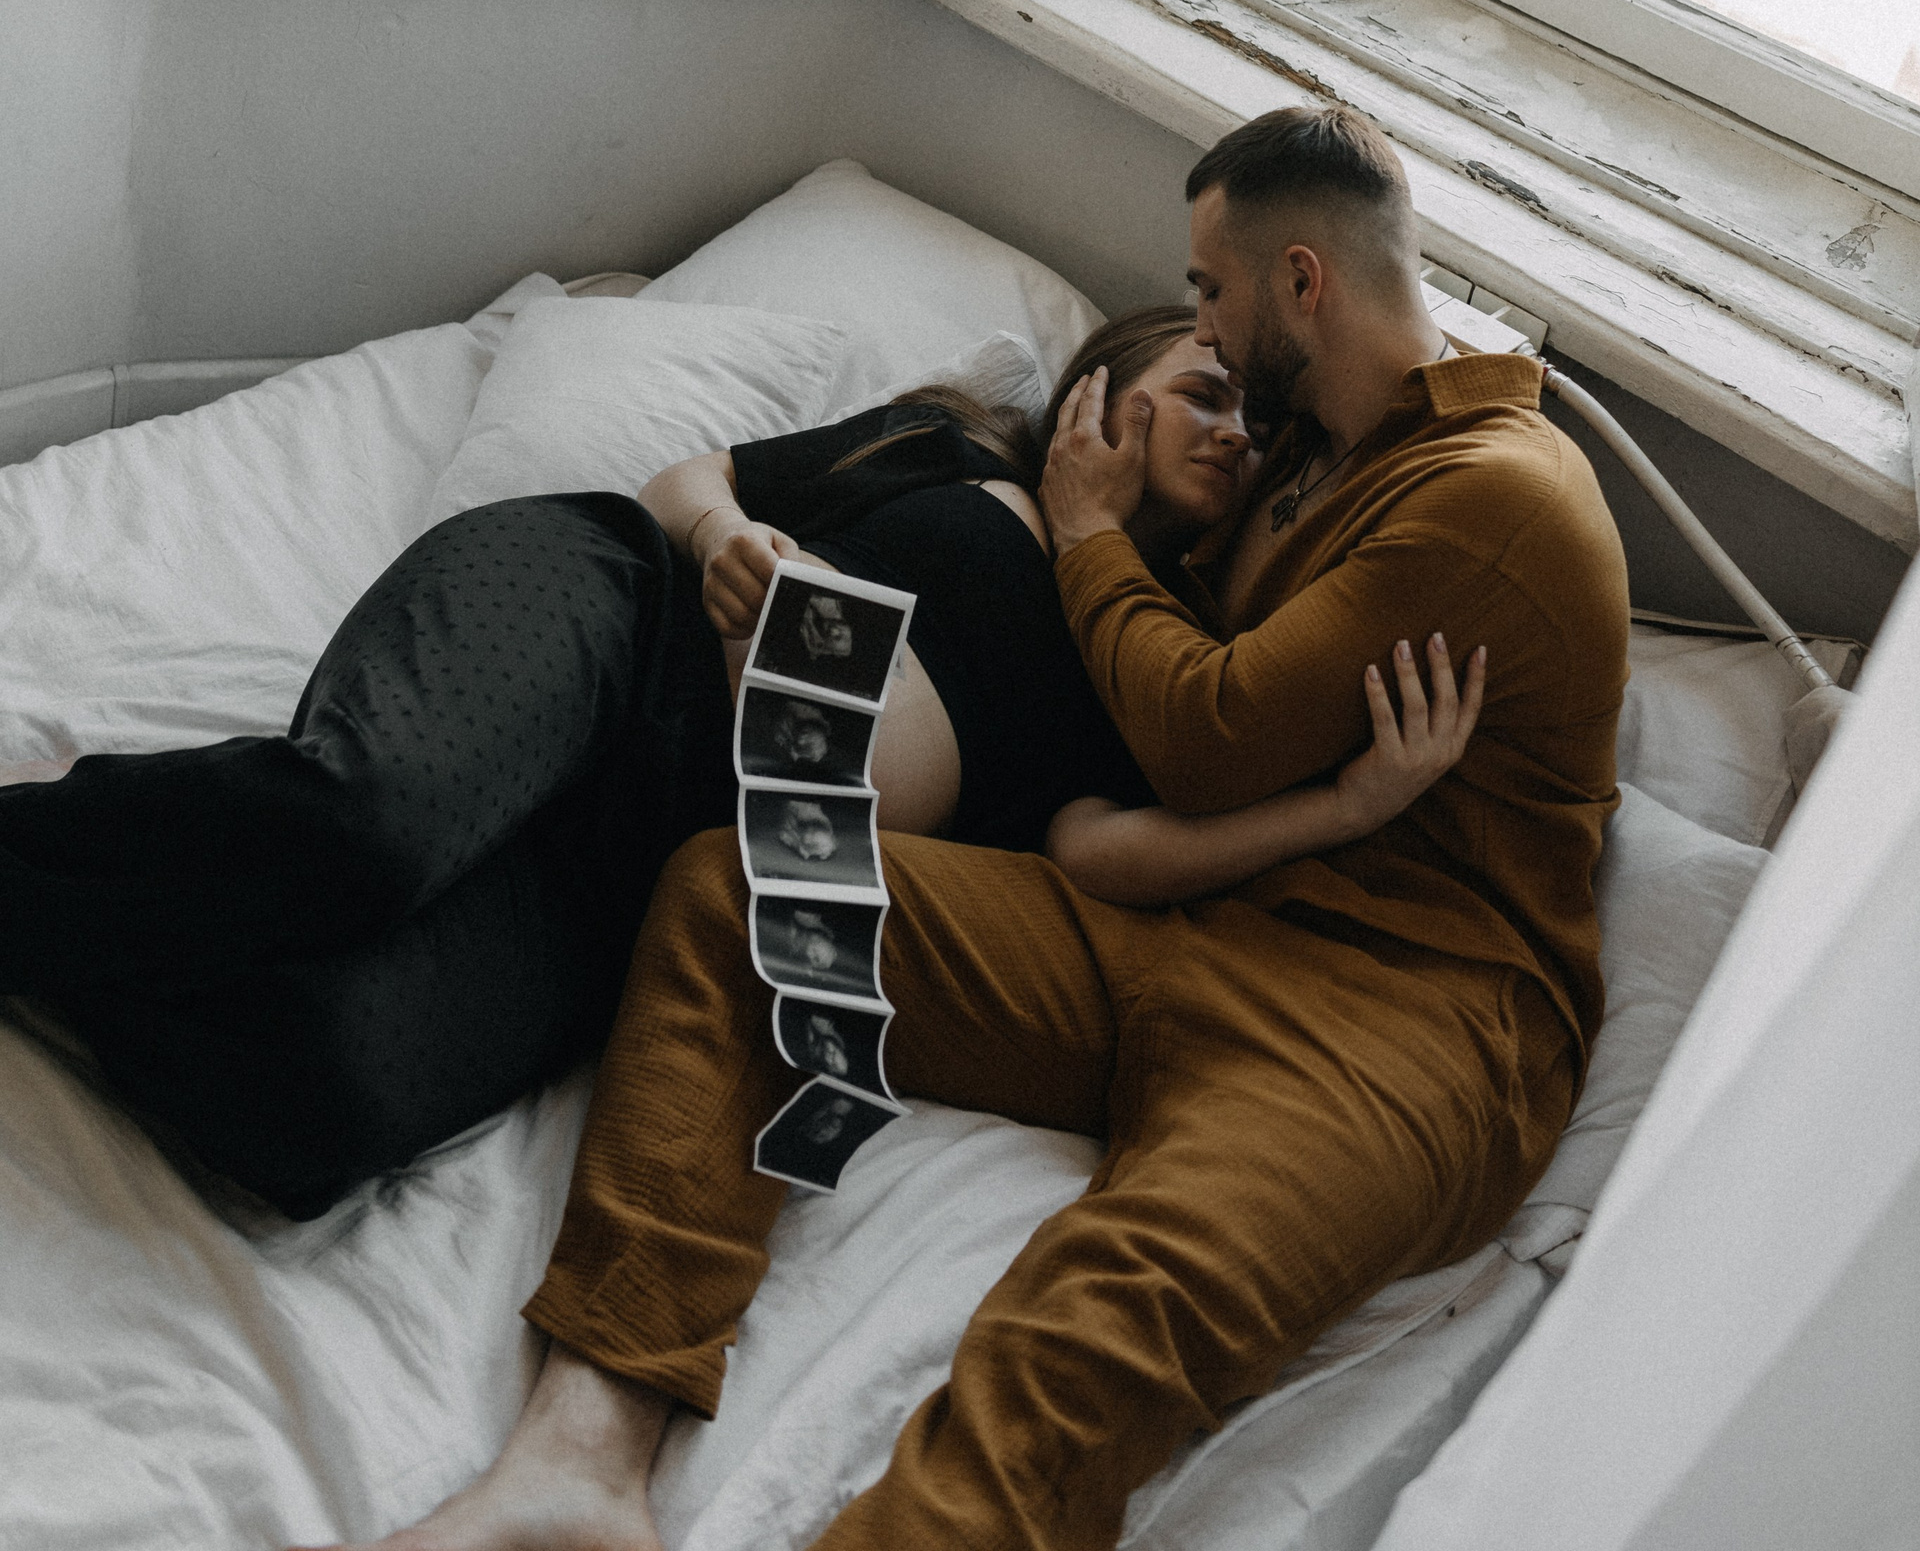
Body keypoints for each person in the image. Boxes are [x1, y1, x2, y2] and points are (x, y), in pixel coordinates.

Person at [353, 103, 1626, 1551]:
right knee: (749, 897)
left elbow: (1207, 742)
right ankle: (578, 1466)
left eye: (1212, 289)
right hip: (1189, 914)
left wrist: (1084, 531)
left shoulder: (1495, 493)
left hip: (1404, 1016)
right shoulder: (1302, 461)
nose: (1204, 326)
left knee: (1096, 1325)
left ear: (1301, 283)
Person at [0, 299, 1469, 1221]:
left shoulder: (1141, 676)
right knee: (362, 830)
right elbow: (688, 479)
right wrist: (727, 539)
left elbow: (1101, 854)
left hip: (630, 879)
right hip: (604, 627)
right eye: (1208, 388)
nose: (1235, 433)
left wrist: (1344, 806)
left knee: (324, 1103)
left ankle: (89, 909)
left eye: (1257, 432)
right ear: (1104, 383)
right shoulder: (958, 453)